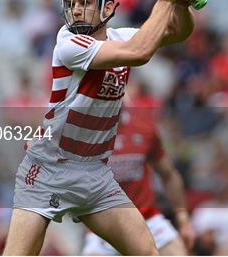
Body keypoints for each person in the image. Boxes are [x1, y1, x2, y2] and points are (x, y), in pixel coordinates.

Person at [3, 0, 197, 255]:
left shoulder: (122, 36)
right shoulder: (69, 44)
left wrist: (180, 3)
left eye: (85, 2)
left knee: (148, 253)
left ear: (108, 8)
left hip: (95, 173)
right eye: (71, 4)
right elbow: (140, 53)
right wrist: (164, 0)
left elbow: (177, 32)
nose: (76, 10)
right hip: (48, 168)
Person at [82, 80, 195, 255]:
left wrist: (183, 218)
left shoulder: (145, 129)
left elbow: (169, 175)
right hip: (104, 226)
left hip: (148, 218)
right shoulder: (82, 136)